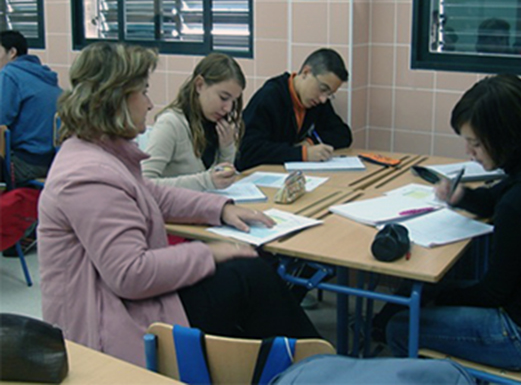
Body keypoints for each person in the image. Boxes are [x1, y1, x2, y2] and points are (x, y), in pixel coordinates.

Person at [37, 42, 320, 367]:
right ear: (114, 100)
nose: (149, 103)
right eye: (142, 92)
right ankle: (318, 367)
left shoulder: (102, 154)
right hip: (108, 325)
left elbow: (152, 193)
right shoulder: (88, 175)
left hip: (129, 303)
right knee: (249, 277)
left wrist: (221, 209)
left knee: (250, 276)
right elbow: (130, 274)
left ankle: (304, 366)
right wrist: (210, 252)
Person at [386, 74, 521, 372]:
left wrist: (437, 295)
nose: (468, 153)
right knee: (437, 288)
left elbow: (493, 293)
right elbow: (496, 199)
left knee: (400, 326)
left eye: (475, 143)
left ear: (503, 136)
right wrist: (459, 196)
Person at [236, 48, 352, 171]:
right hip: (257, 176)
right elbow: (247, 151)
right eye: (323, 89)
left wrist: (310, 142)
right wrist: (302, 154)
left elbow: (343, 134)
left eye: (329, 94)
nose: (323, 99)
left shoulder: (317, 102)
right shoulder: (270, 96)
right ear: (306, 72)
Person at [141, 53, 244, 191]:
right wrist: (207, 181)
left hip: (205, 207)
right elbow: (144, 184)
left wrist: (227, 148)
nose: (228, 108)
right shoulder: (170, 124)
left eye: (234, 101)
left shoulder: (215, 124)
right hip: (174, 211)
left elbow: (220, 183)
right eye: (223, 97)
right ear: (199, 85)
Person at [0, 30, 61, 184]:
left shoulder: (10, 74)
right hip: (53, 162)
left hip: (24, 164)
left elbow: (1, 117)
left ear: (12, 52)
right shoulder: (43, 75)